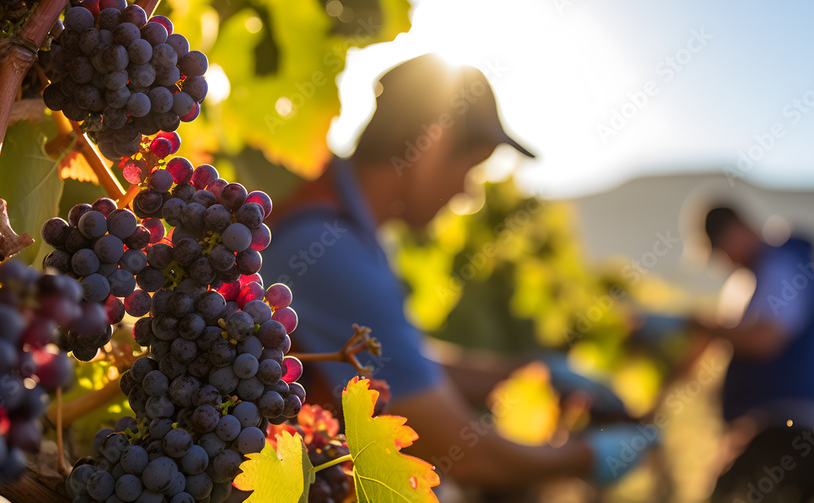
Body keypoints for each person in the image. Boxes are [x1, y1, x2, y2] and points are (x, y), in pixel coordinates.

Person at [260, 53, 655, 488]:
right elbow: (465, 456)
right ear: (431, 145)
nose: (467, 192)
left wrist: (528, 374)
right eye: (470, 168)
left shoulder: (335, 225)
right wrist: (590, 457)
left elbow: (400, 361)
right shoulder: (334, 253)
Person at [690, 206, 814, 502]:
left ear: (739, 228)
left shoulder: (781, 267)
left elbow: (764, 340)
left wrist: (702, 326)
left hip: (785, 434)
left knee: (724, 495)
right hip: (783, 434)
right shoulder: (754, 279)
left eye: (723, 251)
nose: (726, 262)